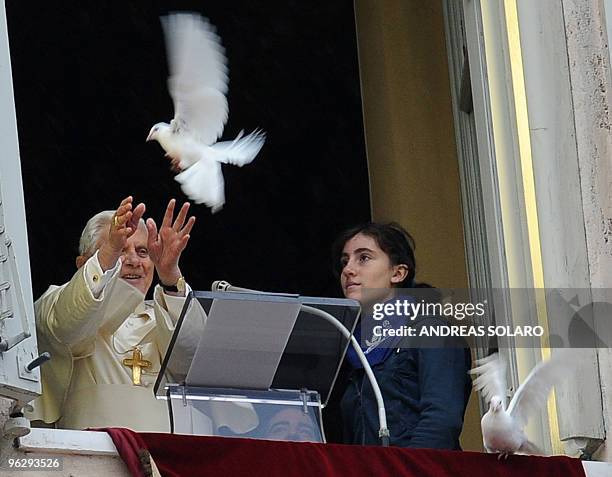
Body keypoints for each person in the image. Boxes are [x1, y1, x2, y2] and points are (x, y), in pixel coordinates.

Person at [28, 196, 256, 434]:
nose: (133, 261)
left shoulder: (170, 311)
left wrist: (171, 279)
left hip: (178, 462)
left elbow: (199, 364)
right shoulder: (57, 302)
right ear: (83, 263)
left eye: (142, 251)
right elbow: (66, 326)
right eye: (119, 249)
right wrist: (107, 258)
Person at [332, 222, 471, 448]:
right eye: (344, 261)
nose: (348, 269)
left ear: (397, 273)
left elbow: (440, 421)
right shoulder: (354, 348)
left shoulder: (431, 329)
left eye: (363, 258)